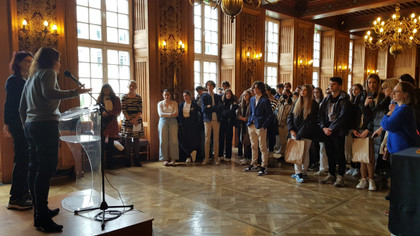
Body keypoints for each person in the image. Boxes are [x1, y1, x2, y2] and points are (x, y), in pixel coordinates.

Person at [19, 47, 91, 232]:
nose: (59, 64)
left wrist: (26, 125)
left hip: (31, 126)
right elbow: (49, 93)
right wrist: (75, 92)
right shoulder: (49, 73)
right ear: (52, 60)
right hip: (45, 125)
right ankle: (42, 218)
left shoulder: (31, 77)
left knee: (34, 167)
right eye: (58, 60)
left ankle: (39, 210)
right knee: (46, 169)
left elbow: (21, 107)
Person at [3, 51, 33, 210]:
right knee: (21, 160)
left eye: (31, 61)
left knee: (26, 160)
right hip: (17, 124)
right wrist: (7, 123)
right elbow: (9, 104)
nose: (30, 63)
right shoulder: (14, 80)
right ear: (18, 62)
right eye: (27, 61)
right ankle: (15, 198)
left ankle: (24, 193)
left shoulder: (25, 80)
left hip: (26, 124)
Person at [319, 77, 350, 187]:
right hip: (327, 130)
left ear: (340, 86)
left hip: (338, 130)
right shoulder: (327, 98)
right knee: (329, 153)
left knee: (339, 153)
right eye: (330, 84)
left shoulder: (344, 99)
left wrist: (331, 129)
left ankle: (340, 176)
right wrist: (323, 127)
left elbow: (343, 116)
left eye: (334, 84)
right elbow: (321, 114)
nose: (331, 86)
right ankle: (331, 174)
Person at [287, 84, 319, 183]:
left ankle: (303, 172)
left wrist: (299, 134)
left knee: (304, 154)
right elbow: (290, 116)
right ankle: (298, 172)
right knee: (297, 153)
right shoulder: (297, 101)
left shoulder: (314, 104)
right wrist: (291, 129)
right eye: (301, 90)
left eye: (305, 90)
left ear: (309, 92)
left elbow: (310, 122)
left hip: (307, 133)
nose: (302, 92)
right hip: (295, 132)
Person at [244, 81, 273, 176]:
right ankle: (254, 163)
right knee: (253, 146)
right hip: (251, 125)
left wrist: (264, 125)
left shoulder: (265, 100)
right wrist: (249, 122)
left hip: (260, 126)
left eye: (256, 88)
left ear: (260, 89)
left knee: (262, 147)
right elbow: (251, 112)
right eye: (254, 88)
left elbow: (270, 115)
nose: (254, 90)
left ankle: (264, 166)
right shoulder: (252, 99)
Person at [381, 82, 419, 153]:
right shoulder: (398, 107)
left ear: (405, 94)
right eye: (393, 91)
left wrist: (388, 114)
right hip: (399, 150)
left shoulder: (405, 109)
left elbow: (386, 125)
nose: (393, 93)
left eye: (396, 91)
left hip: (404, 151)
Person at [98, 84, 122, 169]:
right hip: (102, 123)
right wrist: (101, 113)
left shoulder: (116, 98)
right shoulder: (99, 98)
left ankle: (110, 164)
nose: (106, 92)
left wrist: (108, 113)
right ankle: (101, 165)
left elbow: (118, 110)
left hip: (112, 122)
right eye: (104, 90)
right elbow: (96, 109)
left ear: (110, 90)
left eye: (107, 90)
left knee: (111, 145)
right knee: (101, 144)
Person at [121, 80, 144, 167]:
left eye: (133, 86)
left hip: (137, 121)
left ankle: (137, 160)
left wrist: (135, 119)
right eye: (130, 86)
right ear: (128, 86)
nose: (132, 87)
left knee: (137, 141)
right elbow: (123, 110)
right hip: (127, 121)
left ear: (136, 87)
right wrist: (130, 119)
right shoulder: (124, 97)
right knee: (127, 141)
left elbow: (140, 110)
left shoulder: (138, 97)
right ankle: (127, 160)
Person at [178, 90, 203, 164]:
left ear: (189, 96)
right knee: (183, 140)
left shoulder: (194, 104)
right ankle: (189, 153)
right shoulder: (182, 104)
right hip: (184, 124)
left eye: (186, 95)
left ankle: (189, 156)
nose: (185, 97)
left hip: (192, 125)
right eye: (184, 96)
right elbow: (179, 115)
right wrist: (180, 123)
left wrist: (199, 123)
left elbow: (201, 112)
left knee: (191, 140)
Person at [345, 84, 365, 178]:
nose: (354, 91)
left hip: (358, 127)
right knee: (351, 149)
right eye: (352, 90)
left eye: (356, 89)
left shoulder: (361, 101)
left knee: (358, 149)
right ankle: (352, 167)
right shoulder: (351, 101)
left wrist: (355, 128)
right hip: (351, 127)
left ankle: (357, 168)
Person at [201, 80, 222, 165]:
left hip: (216, 120)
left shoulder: (217, 96)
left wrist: (211, 107)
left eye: (210, 85)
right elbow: (204, 109)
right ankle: (206, 158)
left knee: (216, 140)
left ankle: (216, 158)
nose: (209, 87)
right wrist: (213, 107)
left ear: (213, 86)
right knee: (207, 140)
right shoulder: (204, 96)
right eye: (207, 85)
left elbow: (220, 108)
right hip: (207, 120)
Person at [157, 89, 179, 166]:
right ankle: (164, 159)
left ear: (170, 95)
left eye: (168, 95)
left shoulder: (174, 103)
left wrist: (167, 114)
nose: (166, 96)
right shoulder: (160, 103)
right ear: (163, 95)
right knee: (163, 140)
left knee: (174, 140)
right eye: (165, 95)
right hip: (163, 121)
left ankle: (173, 159)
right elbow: (161, 114)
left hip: (173, 121)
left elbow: (176, 113)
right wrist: (171, 114)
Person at [218, 89, 238, 161]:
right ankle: (220, 155)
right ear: (225, 95)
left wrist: (227, 112)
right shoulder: (222, 102)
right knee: (221, 139)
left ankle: (228, 156)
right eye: (227, 94)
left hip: (230, 123)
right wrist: (228, 112)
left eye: (229, 94)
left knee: (229, 139)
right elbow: (221, 112)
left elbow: (233, 113)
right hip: (222, 123)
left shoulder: (234, 103)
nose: (228, 95)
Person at [276, 89, 293, 159]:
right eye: (283, 93)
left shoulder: (291, 104)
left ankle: (286, 155)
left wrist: (285, 121)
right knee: (282, 141)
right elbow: (278, 112)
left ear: (288, 94)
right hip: (280, 123)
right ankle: (283, 154)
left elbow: (290, 114)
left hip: (286, 124)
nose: (283, 94)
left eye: (285, 93)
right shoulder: (281, 102)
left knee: (286, 141)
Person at [237, 90, 252, 165]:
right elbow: (237, 113)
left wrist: (247, 118)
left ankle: (248, 157)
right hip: (242, 125)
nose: (245, 96)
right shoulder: (241, 104)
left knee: (247, 141)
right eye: (243, 95)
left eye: (246, 95)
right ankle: (245, 157)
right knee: (243, 141)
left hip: (249, 125)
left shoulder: (252, 104)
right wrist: (241, 118)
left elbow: (252, 114)